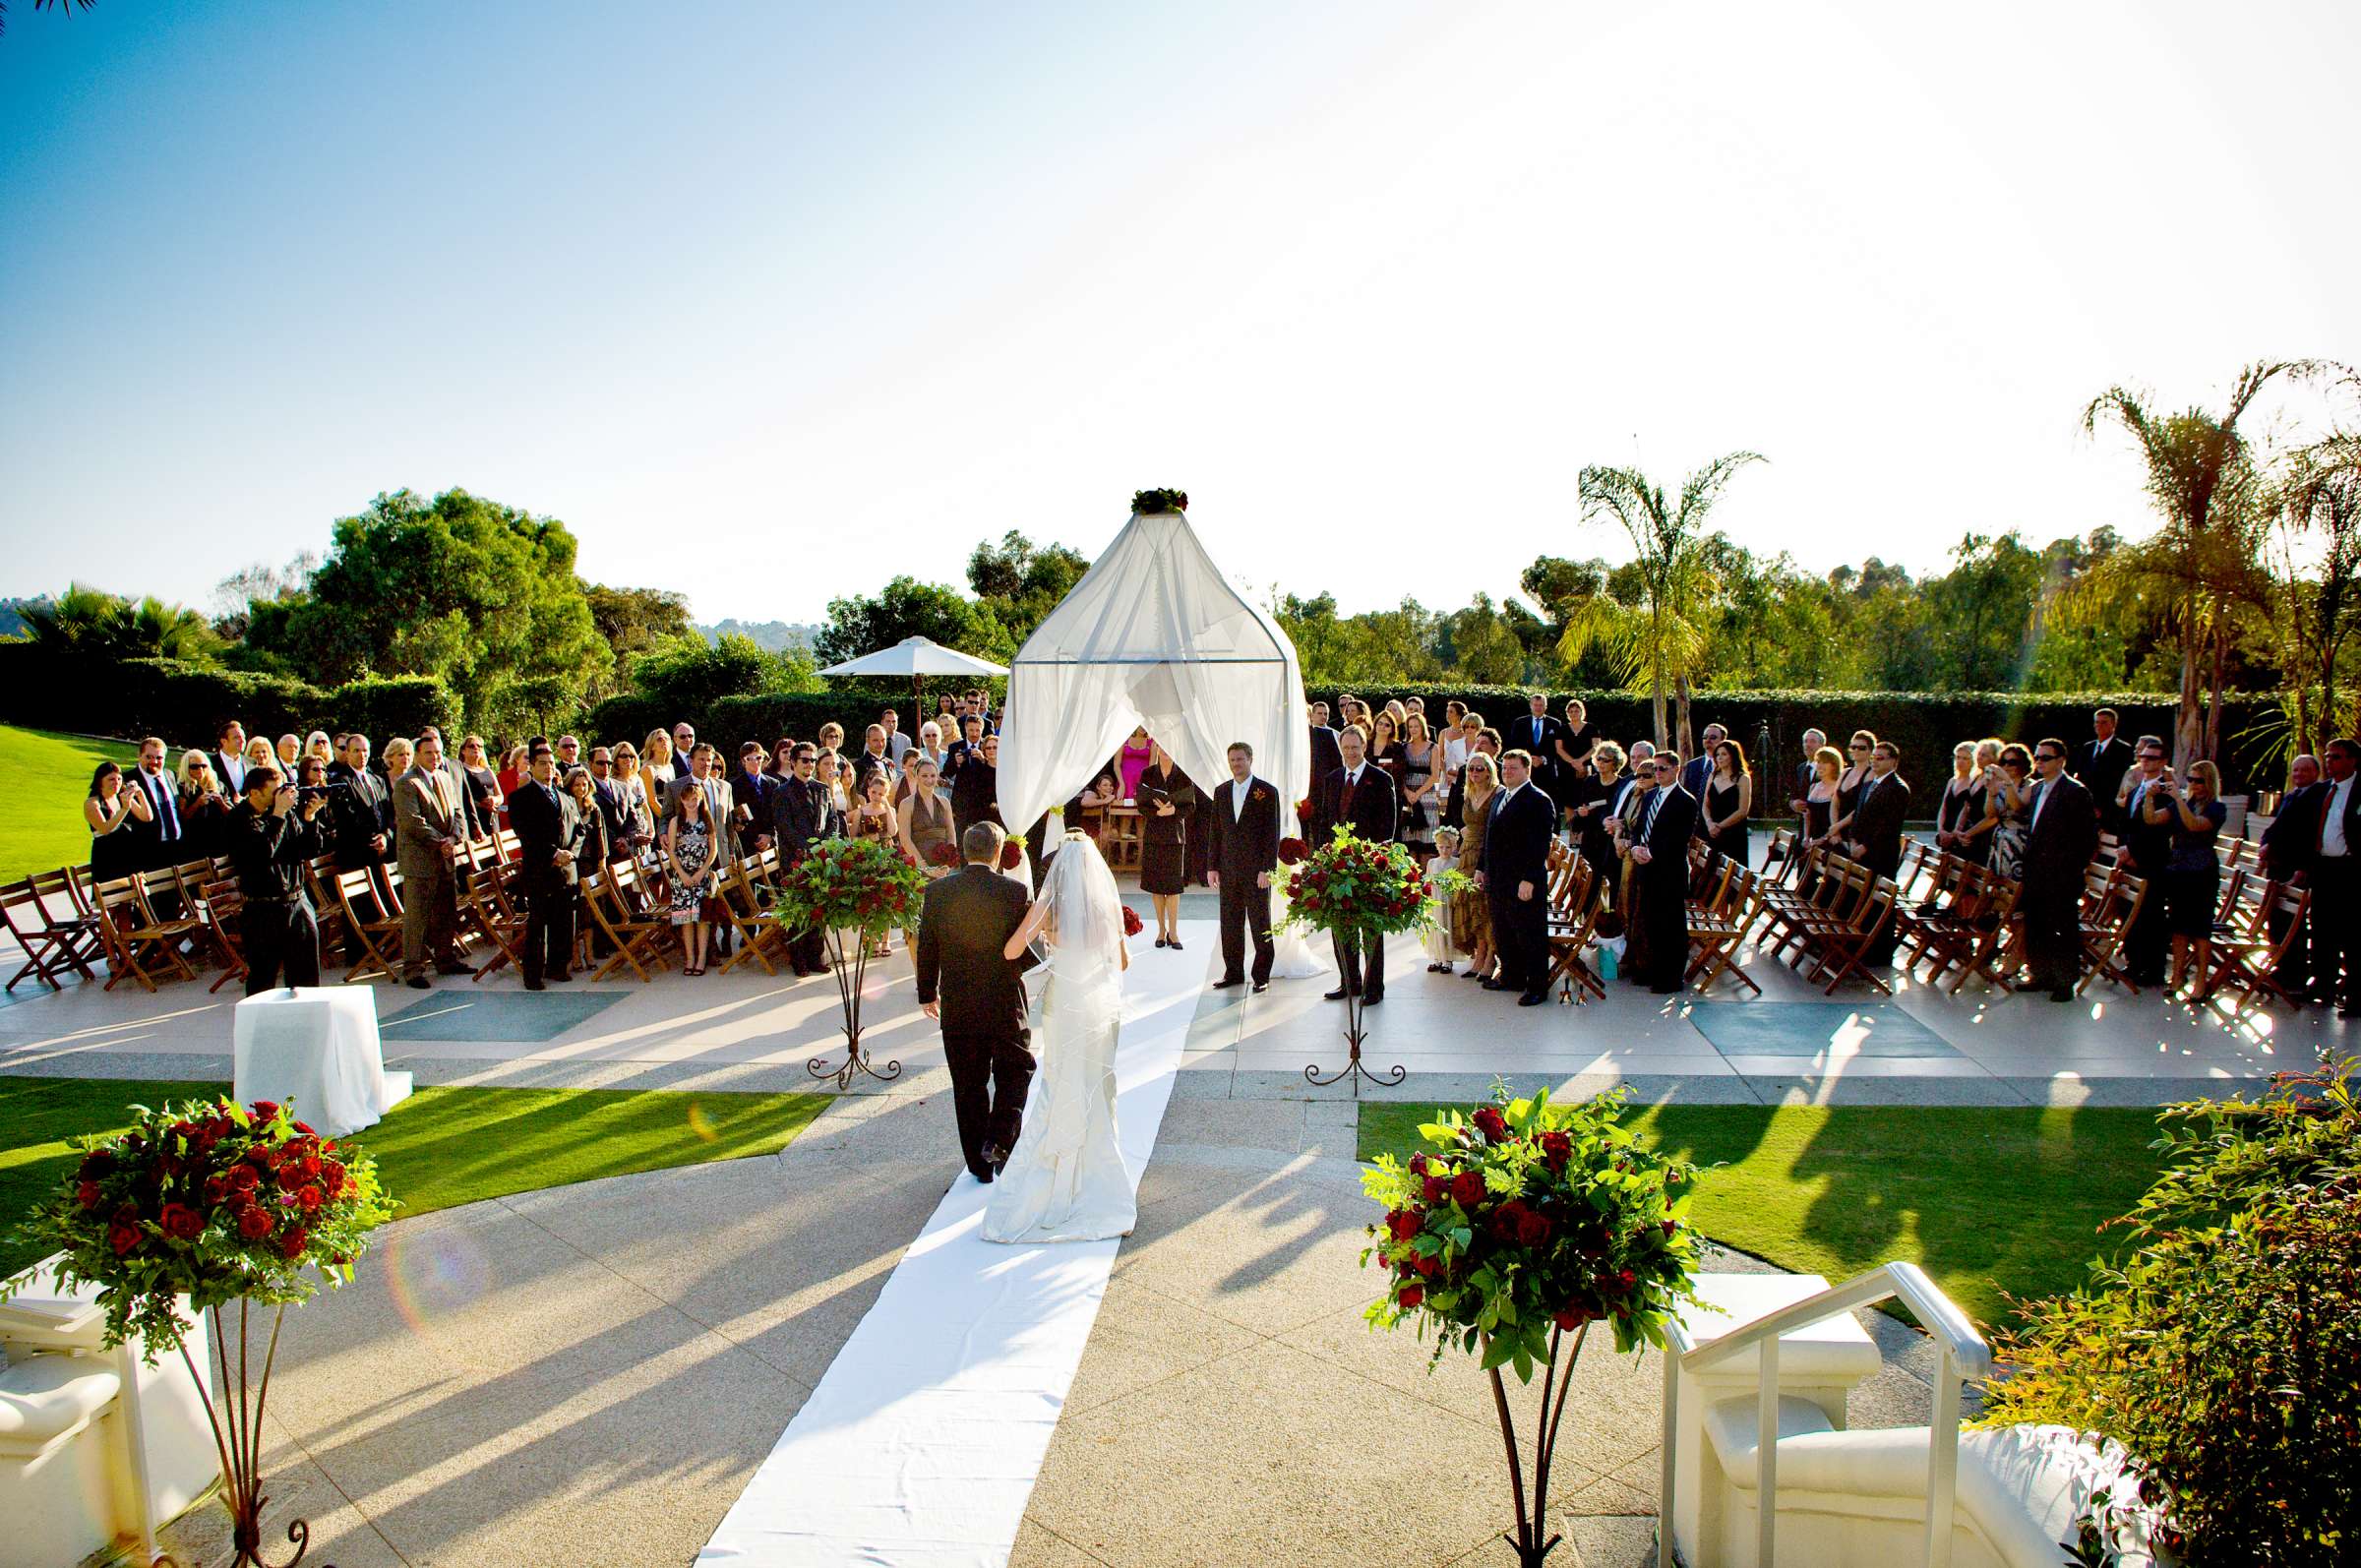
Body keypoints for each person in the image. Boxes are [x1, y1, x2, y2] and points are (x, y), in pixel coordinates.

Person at [980, 830, 1134, 1242]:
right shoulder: (1105, 905)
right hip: (1098, 1004)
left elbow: (1012, 951)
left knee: (1061, 1080)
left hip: (1064, 1001)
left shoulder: (1047, 907)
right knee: (1095, 1083)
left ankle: (1057, 1167)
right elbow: (1122, 962)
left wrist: (1046, 951)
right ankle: (1096, 1172)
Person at [917, 821, 1041, 1185]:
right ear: (998, 852)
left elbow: (928, 947)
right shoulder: (1015, 892)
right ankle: (1000, 1138)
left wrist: (927, 992)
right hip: (1004, 1001)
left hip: (958, 1001)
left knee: (968, 1084)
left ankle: (978, 1165)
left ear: (964, 851)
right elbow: (1026, 952)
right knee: (1017, 1069)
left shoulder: (937, 892)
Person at [1311, 724, 1400, 1005]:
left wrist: (1376, 858)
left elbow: (1388, 824)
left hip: (1369, 866)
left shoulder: (1380, 778)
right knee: (1342, 926)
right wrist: (1324, 855)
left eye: (1355, 747)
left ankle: (1374, 988)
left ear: (1364, 747)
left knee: (1371, 930)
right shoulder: (1333, 778)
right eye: (1346, 748)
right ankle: (1349, 982)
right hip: (1338, 865)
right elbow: (1326, 819)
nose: (1350, 752)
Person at [224, 762, 331, 994]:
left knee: (306, 977)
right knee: (263, 978)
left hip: (297, 901)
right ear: (254, 792)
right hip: (263, 909)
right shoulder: (239, 819)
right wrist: (278, 814)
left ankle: (305, 1024)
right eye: (274, 792)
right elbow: (261, 855)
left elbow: (306, 851)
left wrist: (310, 817)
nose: (281, 797)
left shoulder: (284, 812)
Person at [2018, 740, 2098, 1001]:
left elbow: (2086, 838)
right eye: (2038, 757)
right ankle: (2040, 973)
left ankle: (2064, 980)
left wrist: (2070, 867)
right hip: (2036, 870)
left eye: (2046, 758)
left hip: (2061, 873)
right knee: (2036, 924)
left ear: (2061, 760)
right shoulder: (2038, 788)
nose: (2040, 762)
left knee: (2062, 927)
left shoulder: (2075, 792)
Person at [2146, 759, 2227, 999]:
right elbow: (2151, 819)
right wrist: (2150, 796)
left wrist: (2179, 799)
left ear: (2209, 782)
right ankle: (2178, 976)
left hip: (2202, 871)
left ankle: (2201, 981)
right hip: (2179, 868)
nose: (2193, 784)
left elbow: (2194, 825)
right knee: (2179, 927)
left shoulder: (2216, 807)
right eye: (2190, 779)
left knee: (2200, 929)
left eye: (2199, 780)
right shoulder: (2185, 803)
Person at [394, 734, 470, 988]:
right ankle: (413, 969)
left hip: (446, 858)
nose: (435, 757)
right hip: (420, 861)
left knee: (446, 913)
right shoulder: (407, 783)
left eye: (438, 752)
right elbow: (413, 821)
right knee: (417, 917)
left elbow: (458, 813)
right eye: (429, 753)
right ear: (417, 755)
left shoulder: (445, 778)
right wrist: (441, 842)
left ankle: (445, 959)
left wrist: (453, 838)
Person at [510, 742, 587, 990]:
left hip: (566, 870)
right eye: (542, 764)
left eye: (552, 764)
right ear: (531, 766)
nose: (548, 768)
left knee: (564, 921)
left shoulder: (565, 796)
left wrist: (570, 855)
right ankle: (533, 974)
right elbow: (526, 834)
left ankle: (558, 967)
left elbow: (580, 829)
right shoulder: (520, 797)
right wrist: (554, 854)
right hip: (540, 869)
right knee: (538, 923)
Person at [1481, 750, 1555, 1004]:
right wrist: (1482, 868)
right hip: (1497, 879)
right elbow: (1489, 836)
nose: (1507, 772)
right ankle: (1512, 976)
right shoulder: (1501, 795)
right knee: (1504, 931)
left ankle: (1537, 987)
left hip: (1522, 880)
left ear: (1527, 770)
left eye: (1513, 768)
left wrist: (1530, 879)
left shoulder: (1538, 800)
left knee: (1529, 934)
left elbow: (1540, 845)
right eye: (1505, 768)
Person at [1205, 741, 1280, 994]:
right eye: (1232, 760)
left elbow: (1272, 833)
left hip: (1256, 871)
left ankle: (1261, 975)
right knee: (1230, 923)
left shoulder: (1267, 792)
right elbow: (1216, 832)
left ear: (1250, 759)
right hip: (1228, 869)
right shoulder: (1221, 791)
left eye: (1240, 759)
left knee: (1260, 923)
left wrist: (1267, 869)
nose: (1236, 764)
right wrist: (1212, 866)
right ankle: (1233, 972)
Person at [2257, 754, 2325, 994]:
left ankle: (2295, 974)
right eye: (2295, 771)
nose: (2299, 775)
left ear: (2316, 772)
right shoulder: (2291, 795)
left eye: (2304, 771)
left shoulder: (2318, 798)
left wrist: (2303, 868)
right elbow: (2276, 827)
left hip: (2296, 867)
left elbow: (2311, 836)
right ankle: (2281, 967)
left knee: (2293, 924)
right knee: (2276, 921)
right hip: (2278, 865)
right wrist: (2265, 844)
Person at [772, 744, 837, 976]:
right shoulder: (781, 793)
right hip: (795, 862)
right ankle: (798, 961)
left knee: (818, 911)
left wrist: (825, 845)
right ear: (793, 763)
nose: (809, 764)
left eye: (812, 760)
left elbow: (832, 819)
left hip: (820, 860)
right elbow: (785, 828)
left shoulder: (822, 789)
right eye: (805, 760)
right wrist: (809, 850)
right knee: (799, 912)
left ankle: (815, 957)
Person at [2115, 736, 2174, 987]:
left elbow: (2156, 830)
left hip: (2151, 860)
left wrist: (2136, 853)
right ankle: (2134, 962)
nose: (2145, 762)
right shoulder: (2135, 790)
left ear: (2162, 762)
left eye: (2151, 758)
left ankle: (2153, 969)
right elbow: (2126, 824)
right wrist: (2122, 848)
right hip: (2130, 858)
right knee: (2129, 912)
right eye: (2143, 757)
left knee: (2151, 916)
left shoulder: (2165, 792)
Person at [1847, 741, 1910, 965]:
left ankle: (1879, 952)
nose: (1874, 760)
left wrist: (1866, 846)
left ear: (1893, 761)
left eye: (1880, 757)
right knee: (1863, 900)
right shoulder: (1869, 784)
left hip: (1880, 853)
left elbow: (1888, 826)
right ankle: (1861, 947)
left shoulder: (1898, 788)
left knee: (1881, 903)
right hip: (1860, 851)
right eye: (1873, 757)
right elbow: (1859, 817)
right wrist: (1854, 840)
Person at [2310, 737, 2360, 1017]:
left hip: (2350, 870)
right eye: (2328, 757)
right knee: (2323, 930)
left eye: (2337, 757)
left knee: (2352, 935)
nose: (2330, 762)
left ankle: (2354, 995)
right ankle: (2324, 987)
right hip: (2325, 868)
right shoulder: (2323, 791)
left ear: (2353, 760)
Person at [1135, 744, 1195, 948]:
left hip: (1174, 836)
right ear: (1157, 748)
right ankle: (1161, 931)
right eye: (1162, 745)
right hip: (1154, 833)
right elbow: (1141, 803)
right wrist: (1156, 813)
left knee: (1173, 886)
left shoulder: (1183, 775)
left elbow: (1190, 804)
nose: (1166, 749)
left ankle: (1174, 932)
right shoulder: (1147, 773)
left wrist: (1173, 812)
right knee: (1157, 885)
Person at [665, 774, 719, 975]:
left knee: (702, 919)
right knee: (685, 920)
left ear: (700, 799)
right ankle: (689, 958)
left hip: (701, 876)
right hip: (682, 877)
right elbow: (671, 850)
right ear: (681, 800)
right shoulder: (675, 822)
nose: (691, 802)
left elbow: (712, 849)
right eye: (687, 799)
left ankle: (702, 958)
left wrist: (702, 872)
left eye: (695, 798)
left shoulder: (706, 820)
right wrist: (682, 874)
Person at [1451, 753, 1499, 980]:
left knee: (1485, 907)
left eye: (1480, 769)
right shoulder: (1468, 792)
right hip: (1466, 853)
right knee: (1471, 906)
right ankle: (1478, 956)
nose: (1475, 773)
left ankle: (1490, 957)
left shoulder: (1497, 793)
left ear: (1489, 770)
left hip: (1486, 853)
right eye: (1471, 768)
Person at [327, 734, 392, 870]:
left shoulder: (378, 781)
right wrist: (374, 840)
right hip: (356, 855)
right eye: (356, 750)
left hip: (384, 854)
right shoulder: (340, 781)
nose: (362, 755)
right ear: (348, 753)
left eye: (365, 750)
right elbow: (347, 817)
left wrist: (385, 836)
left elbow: (390, 813)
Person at [125, 736, 186, 870]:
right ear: (139, 756)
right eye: (149, 757)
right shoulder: (127, 780)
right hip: (148, 851)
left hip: (177, 846)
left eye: (159, 758)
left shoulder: (171, 775)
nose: (154, 761)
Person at [86, 760, 152, 881]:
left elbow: (146, 817)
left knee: (133, 894)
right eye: (111, 779)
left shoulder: (122, 796)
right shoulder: (92, 803)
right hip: (107, 856)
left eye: (119, 779)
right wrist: (125, 808)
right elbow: (105, 829)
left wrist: (140, 794)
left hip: (127, 854)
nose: (116, 783)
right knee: (111, 895)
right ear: (100, 781)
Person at [2074, 708, 2136, 827]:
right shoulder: (2088, 748)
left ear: (2114, 724)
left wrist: (2102, 808)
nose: (2099, 725)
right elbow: (2081, 777)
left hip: (2108, 812)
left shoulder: (2123, 750)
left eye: (2104, 722)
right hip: (2084, 807)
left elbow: (2119, 783)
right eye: (2097, 722)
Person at [1983, 746, 2035, 881]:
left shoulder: (2030, 785)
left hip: (2018, 842)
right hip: (1999, 841)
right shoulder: (1999, 785)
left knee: (2013, 883)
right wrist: (1991, 794)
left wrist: (2007, 781)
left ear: (2023, 764)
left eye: (2012, 762)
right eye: (2003, 762)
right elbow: (1990, 814)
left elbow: (2018, 808)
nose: (2007, 766)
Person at [1701, 739, 1752, 868]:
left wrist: (1720, 826)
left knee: (1733, 871)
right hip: (1712, 831)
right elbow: (1705, 804)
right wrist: (1709, 823)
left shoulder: (1742, 779)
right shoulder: (1713, 776)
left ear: (1733, 756)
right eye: (1717, 755)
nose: (1720, 758)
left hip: (1733, 833)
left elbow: (1742, 811)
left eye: (1724, 754)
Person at [175, 751, 233, 861]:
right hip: (194, 842)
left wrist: (221, 803)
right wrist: (197, 804)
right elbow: (182, 818)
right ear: (186, 768)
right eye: (194, 767)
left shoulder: (219, 786)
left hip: (219, 839)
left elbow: (233, 815)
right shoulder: (182, 789)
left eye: (203, 766)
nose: (200, 769)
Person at [1399, 714, 1440, 860]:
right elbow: (1398, 772)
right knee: (1409, 838)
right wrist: (1407, 792)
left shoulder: (1433, 747)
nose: (1413, 729)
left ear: (1422, 727)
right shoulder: (1403, 747)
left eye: (1416, 726)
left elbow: (1435, 775)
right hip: (1407, 796)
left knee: (1426, 841)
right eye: (1410, 726)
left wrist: (1418, 793)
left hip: (1427, 796)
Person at [1423, 826, 1463, 974]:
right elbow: (1427, 881)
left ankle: (1448, 959)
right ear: (1436, 847)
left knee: (1447, 928)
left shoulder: (1456, 862)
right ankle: (1437, 958)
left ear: (1454, 847)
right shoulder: (1432, 863)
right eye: (1441, 847)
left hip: (1448, 901)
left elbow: (1459, 882)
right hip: (1435, 900)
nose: (1444, 850)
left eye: (1448, 847)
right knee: (1435, 928)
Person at [1515, 694, 1567, 802]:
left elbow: (1558, 748)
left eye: (1541, 705)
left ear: (1546, 707)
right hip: (1524, 770)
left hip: (1547, 773)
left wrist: (1543, 759)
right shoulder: (1519, 723)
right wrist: (1529, 758)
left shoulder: (1555, 724)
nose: (1538, 708)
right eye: (1535, 705)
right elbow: (1514, 745)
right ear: (1530, 706)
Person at [732, 742, 777, 859]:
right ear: (743, 761)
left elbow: (779, 814)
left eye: (758, 757)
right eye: (749, 759)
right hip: (748, 846)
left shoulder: (774, 784)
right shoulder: (734, 786)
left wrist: (770, 836)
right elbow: (737, 818)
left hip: (772, 844)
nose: (755, 762)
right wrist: (757, 839)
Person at [951, 732, 1001, 837]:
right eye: (988, 748)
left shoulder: (1007, 771)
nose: (992, 750)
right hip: (985, 817)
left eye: (995, 747)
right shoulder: (979, 771)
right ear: (984, 751)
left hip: (1004, 816)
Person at [461, 737, 508, 831]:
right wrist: (481, 805)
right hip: (475, 820)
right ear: (463, 751)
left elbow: (500, 795)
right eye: (471, 746)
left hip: (493, 818)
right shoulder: (460, 771)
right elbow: (460, 798)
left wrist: (494, 800)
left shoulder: (488, 770)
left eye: (479, 746)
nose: (476, 748)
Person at [213, 719, 250, 796]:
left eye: (243, 737)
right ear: (224, 741)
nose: (242, 740)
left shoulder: (251, 763)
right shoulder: (210, 763)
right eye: (237, 737)